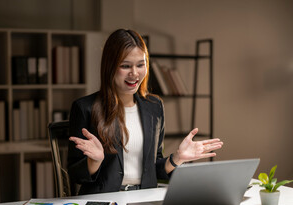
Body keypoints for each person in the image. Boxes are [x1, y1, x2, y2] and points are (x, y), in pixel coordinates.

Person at [68, 29, 223, 195]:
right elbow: (75, 175)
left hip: (144, 197)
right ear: (110, 66)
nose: (134, 73)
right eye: (125, 66)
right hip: (104, 201)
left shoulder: (154, 106)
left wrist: (177, 158)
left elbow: (154, 169)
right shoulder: (85, 108)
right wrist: (94, 161)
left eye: (140, 65)